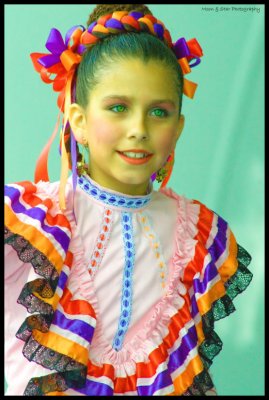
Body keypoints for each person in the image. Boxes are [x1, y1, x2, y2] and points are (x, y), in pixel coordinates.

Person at [4, 4, 253, 396]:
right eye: (118, 108)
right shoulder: (30, 221)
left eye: (159, 111)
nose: (138, 129)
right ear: (78, 120)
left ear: (178, 127)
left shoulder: (200, 238)